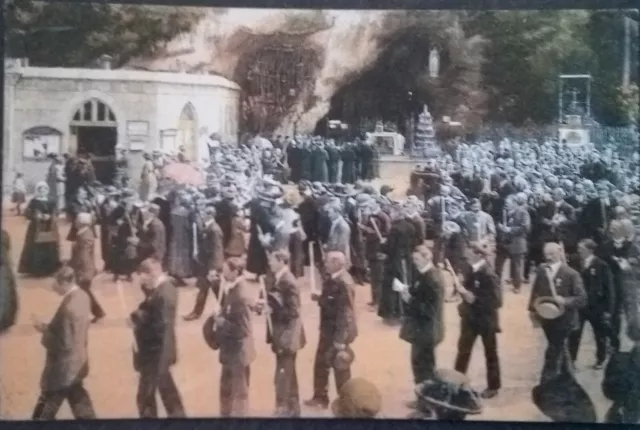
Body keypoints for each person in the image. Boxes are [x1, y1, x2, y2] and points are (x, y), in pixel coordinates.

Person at [32, 266, 96, 420]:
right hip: (78, 361)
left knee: (48, 404)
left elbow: (63, 343)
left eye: (56, 284)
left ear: (64, 283)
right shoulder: (82, 296)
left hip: (63, 368)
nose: (53, 288)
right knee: (79, 399)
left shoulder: (68, 308)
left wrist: (44, 330)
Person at [130, 258, 186, 418]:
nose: (142, 282)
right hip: (158, 354)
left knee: (145, 398)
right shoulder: (161, 290)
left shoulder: (164, 293)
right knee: (169, 396)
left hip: (156, 355)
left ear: (151, 274)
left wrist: (139, 321)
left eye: (143, 277)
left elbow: (161, 327)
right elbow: (151, 311)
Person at [528, 242, 587, 384]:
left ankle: (546, 382)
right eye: (546, 254)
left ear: (560, 253)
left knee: (553, 351)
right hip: (547, 318)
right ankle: (570, 379)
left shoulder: (571, 274)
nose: (549, 257)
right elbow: (535, 292)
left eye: (552, 254)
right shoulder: (542, 271)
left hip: (565, 320)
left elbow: (582, 299)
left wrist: (565, 301)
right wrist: (532, 312)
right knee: (560, 349)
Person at [305, 251, 357, 409]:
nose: (325, 264)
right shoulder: (335, 278)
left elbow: (345, 312)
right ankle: (321, 397)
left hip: (336, 333)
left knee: (340, 366)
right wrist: (319, 298)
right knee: (322, 364)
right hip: (329, 330)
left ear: (336, 263)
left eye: (327, 261)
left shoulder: (343, 283)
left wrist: (339, 339)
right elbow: (331, 301)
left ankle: (344, 402)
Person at [453, 243, 502, 399]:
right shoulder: (471, 270)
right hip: (470, 319)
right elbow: (467, 292)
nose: (466, 258)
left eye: (469, 255)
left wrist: (474, 299)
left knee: (490, 352)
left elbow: (497, 301)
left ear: (478, 255)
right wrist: (462, 290)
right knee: (463, 352)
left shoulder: (488, 274)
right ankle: (456, 383)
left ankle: (493, 386)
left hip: (486, 320)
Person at [399, 245, 445, 408]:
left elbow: (430, 310)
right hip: (423, 331)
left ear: (427, 258)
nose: (414, 262)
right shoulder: (424, 274)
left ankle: (427, 404)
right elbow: (419, 294)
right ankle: (422, 400)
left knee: (425, 369)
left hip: (427, 332)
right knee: (419, 366)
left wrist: (409, 299)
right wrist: (408, 291)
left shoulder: (432, 279)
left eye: (417, 259)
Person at [212, 257, 256, 417]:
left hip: (238, 353)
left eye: (225, 270)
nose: (222, 273)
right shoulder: (233, 288)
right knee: (226, 391)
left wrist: (222, 322)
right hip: (231, 352)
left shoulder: (241, 294)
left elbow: (242, 329)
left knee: (239, 394)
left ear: (235, 271)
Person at [265, 250, 306, 417]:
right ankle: (293, 408)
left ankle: (283, 409)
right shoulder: (280, 278)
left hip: (287, 335)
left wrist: (272, 310)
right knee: (288, 371)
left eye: (273, 260)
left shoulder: (288, 281)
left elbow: (293, 311)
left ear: (281, 261)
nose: (270, 263)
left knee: (283, 372)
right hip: (284, 334)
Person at [568, 239, 614, 369]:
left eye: (581, 249)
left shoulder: (601, 265)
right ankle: (572, 360)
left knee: (599, 335)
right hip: (580, 307)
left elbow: (609, 289)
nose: (578, 251)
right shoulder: (575, 263)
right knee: (575, 334)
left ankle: (600, 359)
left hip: (596, 307)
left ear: (590, 250)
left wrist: (608, 310)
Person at [184, 206, 224, 321]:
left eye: (204, 213)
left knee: (217, 291)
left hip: (211, 267)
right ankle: (196, 312)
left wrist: (214, 268)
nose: (202, 215)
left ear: (210, 215)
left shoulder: (215, 230)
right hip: (206, 265)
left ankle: (226, 309)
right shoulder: (209, 227)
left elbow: (217, 250)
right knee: (204, 289)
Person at [18, 182, 61, 277]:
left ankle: (50, 269)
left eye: (44, 190)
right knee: (36, 247)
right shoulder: (33, 201)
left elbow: (56, 211)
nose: (42, 192)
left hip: (49, 227)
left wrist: (50, 216)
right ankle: (36, 270)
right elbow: (27, 213)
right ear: (38, 191)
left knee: (49, 246)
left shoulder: (52, 200)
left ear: (47, 190)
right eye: (40, 190)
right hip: (36, 228)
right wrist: (37, 216)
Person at [69, 213, 106, 323]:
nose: (75, 222)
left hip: (84, 269)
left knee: (83, 292)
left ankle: (97, 312)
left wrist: (76, 269)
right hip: (84, 268)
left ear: (81, 222)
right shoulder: (83, 233)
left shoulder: (85, 236)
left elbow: (83, 255)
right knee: (83, 292)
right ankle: (97, 312)